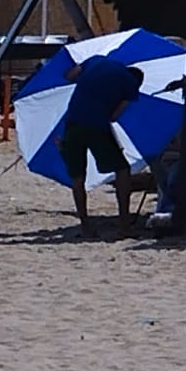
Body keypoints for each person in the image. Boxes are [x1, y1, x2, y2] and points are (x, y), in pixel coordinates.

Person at [58, 55, 144, 237]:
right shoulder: (130, 84)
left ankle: (85, 226)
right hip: (96, 126)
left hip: (72, 123)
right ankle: (124, 225)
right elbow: (114, 116)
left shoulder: (96, 60)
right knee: (122, 169)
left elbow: (69, 76)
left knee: (78, 177)